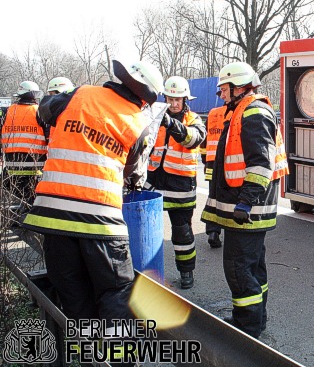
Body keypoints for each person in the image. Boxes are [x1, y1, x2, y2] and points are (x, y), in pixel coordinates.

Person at [21, 60, 164, 364]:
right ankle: (121, 359)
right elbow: (131, 170)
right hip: (102, 221)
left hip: (53, 219)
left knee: (76, 301)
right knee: (116, 292)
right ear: (144, 97)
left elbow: (44, 110)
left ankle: (88, 359)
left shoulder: (78, 94)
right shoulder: (140, 122)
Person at [201, 61, 288, 338]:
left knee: (239, 270)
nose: (221, 95)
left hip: (247, 210)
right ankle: (256, 319)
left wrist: (245, 203)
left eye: (223, 89)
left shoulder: (253, 112)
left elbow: (260, 164)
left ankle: (246, 328)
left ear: (238, 87)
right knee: (251, 267)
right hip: (245, 207)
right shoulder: (241, 111)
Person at [143, 76, 206, 289]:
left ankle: (186, 271)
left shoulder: (194, 120)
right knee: (146, 231)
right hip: (154, 183)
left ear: (185, 99)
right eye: (170, 98)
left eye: (178, 99)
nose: (174, 103)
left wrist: (172, 124)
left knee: (182, 233)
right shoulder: (155, 118)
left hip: (181, 188)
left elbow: (194, 139)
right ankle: (147, 272)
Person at [0, 81, 48, 221]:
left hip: (12, 166)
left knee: (15, 196)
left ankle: (16, 218)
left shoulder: (7, 111)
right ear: (35, 96)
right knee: (31, 198)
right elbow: (49, 137)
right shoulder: (40, 112)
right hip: (35, 167)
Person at [202, 91, 229, 248]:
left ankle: (213, 231)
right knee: (228, 198)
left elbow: (205, 140)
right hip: (229, 163)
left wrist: (205, 161)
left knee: (213, 196)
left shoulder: (213, 113)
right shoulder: (238, 113)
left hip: (211, 162)